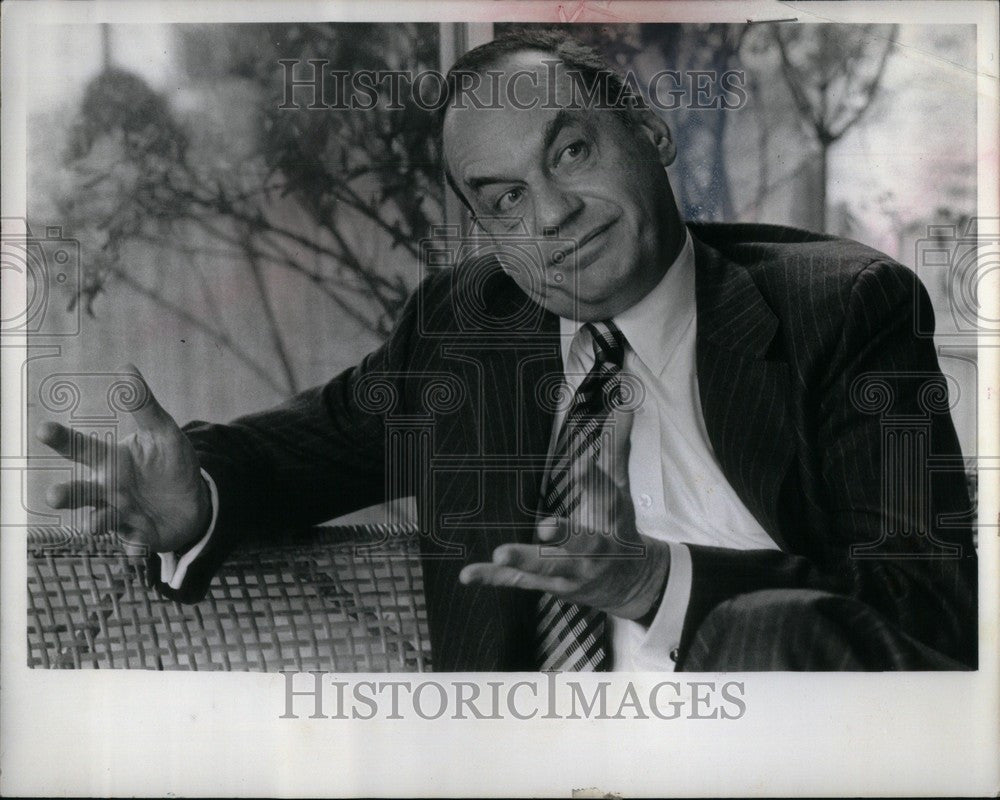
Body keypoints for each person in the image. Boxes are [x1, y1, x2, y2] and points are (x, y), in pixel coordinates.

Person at [37, 30, 977, 672]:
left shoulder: (840, 311)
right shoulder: (467, 328)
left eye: (570, 154)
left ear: (650, 135)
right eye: (506, 200)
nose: (554, 215)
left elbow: (929, 613)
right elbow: (305, 447)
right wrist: (194, 492)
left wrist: (659, 582)